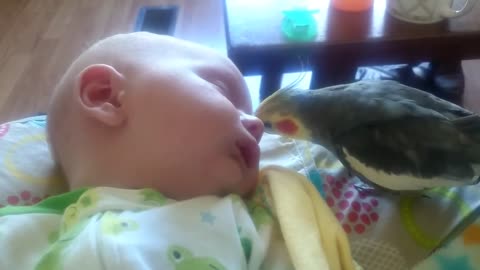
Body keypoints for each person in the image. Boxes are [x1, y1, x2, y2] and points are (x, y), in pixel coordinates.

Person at [0, 33, 359, 270]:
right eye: (220, 90)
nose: (254, 125)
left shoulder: (254, 223)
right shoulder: (19, 234)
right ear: (106, 96)